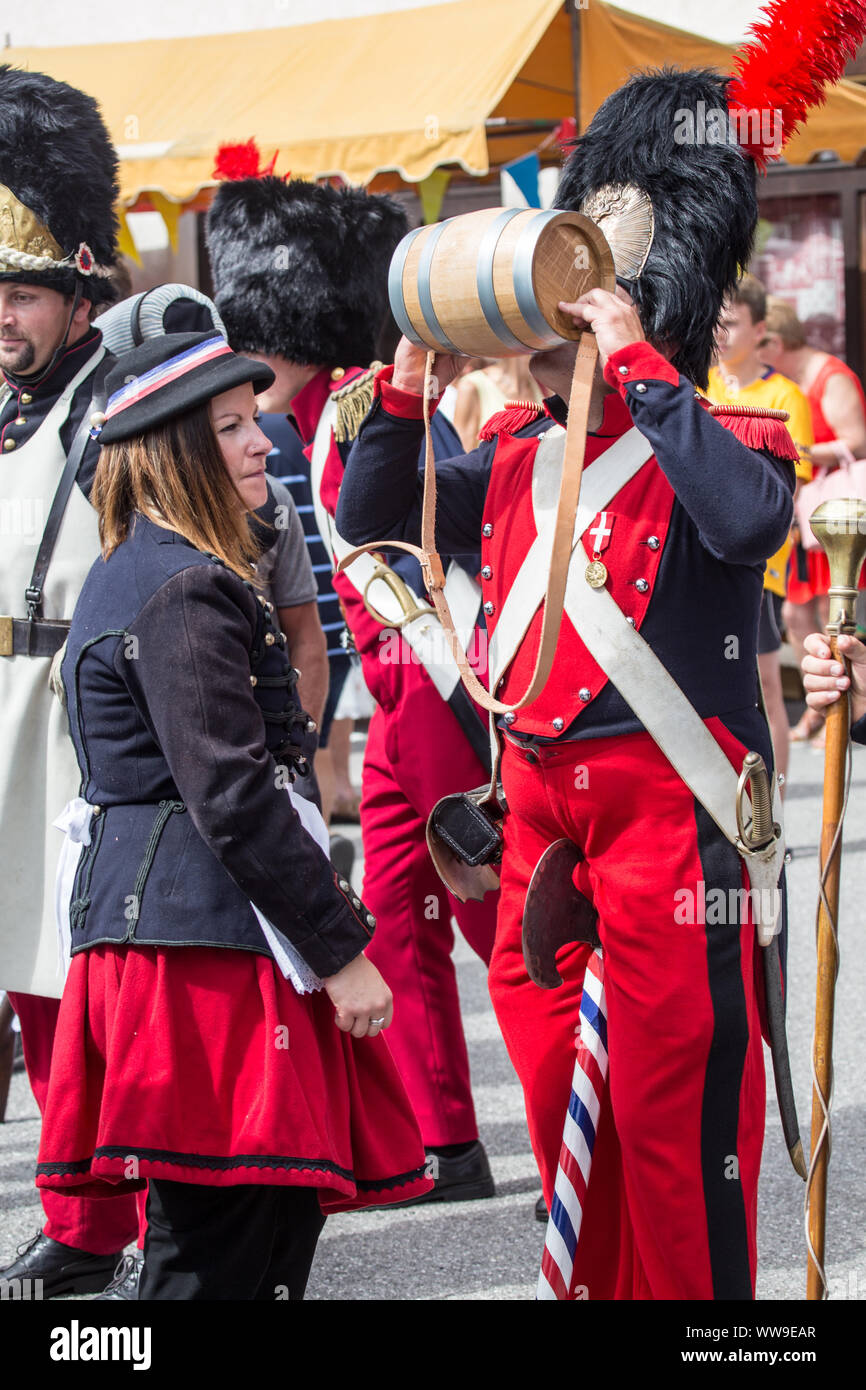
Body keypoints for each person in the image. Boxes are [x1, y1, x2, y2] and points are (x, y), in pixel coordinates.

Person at [337, 66, 801, 1299]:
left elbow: (749, 521)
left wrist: (633, 349)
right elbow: (366, 513)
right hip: (538, 821)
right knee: (562, 1130)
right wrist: (406, 371)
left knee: (674, 1138)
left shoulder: (717, 438)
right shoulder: (507, 459)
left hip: (669, 826)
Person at [34, 331, 431, 1301]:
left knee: (264, 1230)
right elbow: (232, 796)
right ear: (174, 453)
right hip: (194, 948)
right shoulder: (180, 587)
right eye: (232, 427)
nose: (263, 442)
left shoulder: (169, 570)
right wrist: (340, 952)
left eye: (253, 418)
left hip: (194, 930)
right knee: (216, 1253)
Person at [206, 165, 498, 1200]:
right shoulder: (308, 407)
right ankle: (445, 1138)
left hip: (426, 673)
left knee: (487, 915)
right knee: (397, 917)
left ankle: (577, 1089)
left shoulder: (377, 401)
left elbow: (416, 540)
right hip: (386, 693)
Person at [0, 66, 140, 1297]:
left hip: (71, 715)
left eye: (23, 289)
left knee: (64, 990)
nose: (1, 312)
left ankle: (90, 1222)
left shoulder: (123, 406)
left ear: (78, 289)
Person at [706, 273, 814, 790]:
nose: (721, 333)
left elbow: (784, 495)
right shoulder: (696, 384)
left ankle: (777, 808)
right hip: (705, 562)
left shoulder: (786, 394)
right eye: (717, 322)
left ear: (760, 329)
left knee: (766, 686)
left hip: (761, 566)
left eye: (732, 323)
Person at [760, 297, 866, 739]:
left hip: (833, 513)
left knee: (833, 611)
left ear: (774, 341)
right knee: (797, 615)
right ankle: (818, 706)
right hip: (802, 513)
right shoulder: (782, 381)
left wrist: (800, 448)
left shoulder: (829, 375)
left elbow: (857, 441)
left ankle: (841, 708)